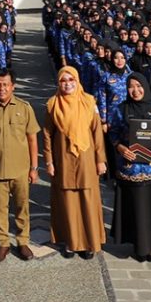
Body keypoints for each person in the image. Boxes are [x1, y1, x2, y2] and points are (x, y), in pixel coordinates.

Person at [43, 65, 107, 259]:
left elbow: (97, 133)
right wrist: (49, 162)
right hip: (63, 159)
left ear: (78, 81)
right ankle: (71, 243)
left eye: (71, 80)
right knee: (68, 202)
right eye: (63, 80)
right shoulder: (53, 104)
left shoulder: (89, 101)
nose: (67, 84)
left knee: (88, 199)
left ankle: (89, 242)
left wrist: (100, 160)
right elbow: (47, 135)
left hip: (87, 159)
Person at [0, 68, 40, 262]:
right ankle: (3, 243)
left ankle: (22, 242)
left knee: (22, 207)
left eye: (5, 84)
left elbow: (32, 139)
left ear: (13, 86)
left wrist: (34, 168)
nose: (2, 88)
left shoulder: (24, 107)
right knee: (0, 209)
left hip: (21, 169)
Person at [109, 71, 151, 263]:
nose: (135, 90)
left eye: (139, 86)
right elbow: (113, 133)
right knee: (136, 208)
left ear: (145, 86)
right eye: (131, 87)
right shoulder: (121, 109)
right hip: (131, 169)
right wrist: (120, 148)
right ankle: (138, 245)